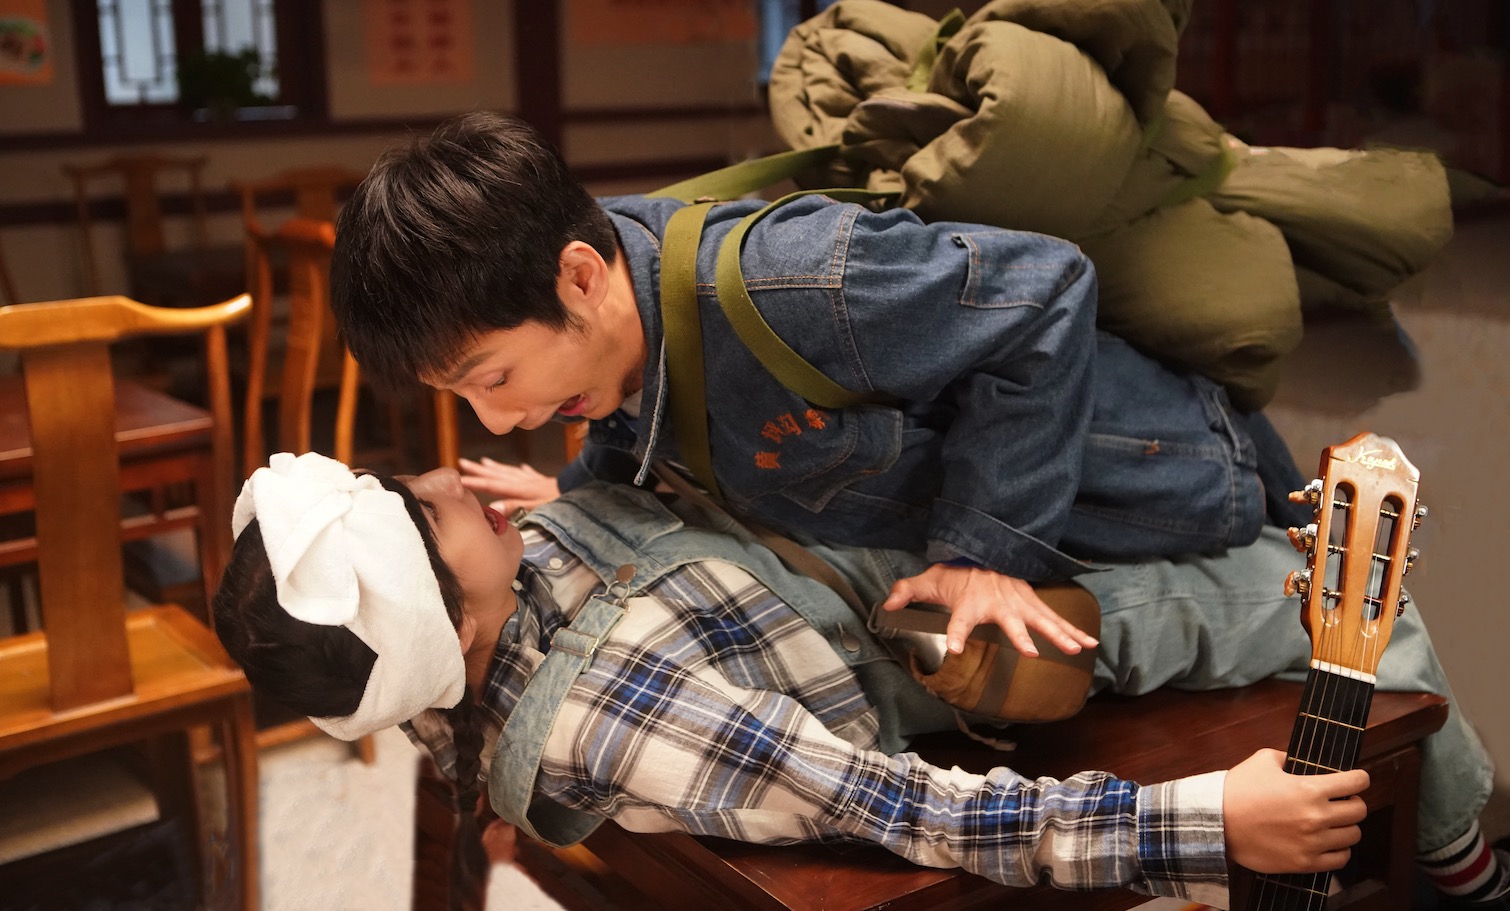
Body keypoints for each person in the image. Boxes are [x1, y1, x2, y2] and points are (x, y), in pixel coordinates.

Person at [214, 452, 1507, 910]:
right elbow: (915, 808)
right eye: (423, 511)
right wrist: (1210, 820)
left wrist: (574, 506)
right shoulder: (629, 719)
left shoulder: (447, 664)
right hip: (936, 642)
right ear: (446, 617)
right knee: (1356, 599)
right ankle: (1467, 866)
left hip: (826, 554)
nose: (444, 476)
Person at [328, 110, 1313, 664]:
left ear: (580, 279)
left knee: (1349, 644)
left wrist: (985, 553)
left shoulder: (800, 285)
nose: (499, 418)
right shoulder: (609, 294)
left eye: (494, 378)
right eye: (463, 395)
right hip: (1056, 545)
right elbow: (645, 410)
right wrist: (573, 490)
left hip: (1164, 486)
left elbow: (1047, 287)